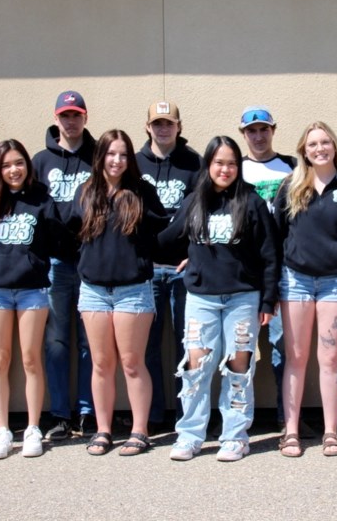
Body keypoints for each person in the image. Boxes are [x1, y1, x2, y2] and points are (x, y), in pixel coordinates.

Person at [160, 136, 280, 462]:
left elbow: (270, 254)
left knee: (239, 367)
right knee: (196, 368)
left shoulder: (252, 202)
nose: (224, 169)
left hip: (243, 298)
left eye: (231, 163)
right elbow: (165, 239)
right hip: (201, 299)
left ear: (238, 167)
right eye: (218, 163)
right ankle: (190, 435)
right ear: (208, 165)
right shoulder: (194, 201)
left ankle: (235, 436)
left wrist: (268, 301)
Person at [274, 121, 337, 458]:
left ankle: (331, 432)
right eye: (313, 143)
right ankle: (291, 431)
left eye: (325, 142)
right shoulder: (290, 186)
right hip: (295, 281)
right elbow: (278, 235)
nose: (319, 148)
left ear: (335, 147)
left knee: (330, 359)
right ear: (304, 150)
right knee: (296, 359)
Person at [73, 129, 166, 457]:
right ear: (100, 157)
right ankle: (103, 430)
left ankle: (140, 431)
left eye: (123, 154)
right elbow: (71, 234)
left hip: (133, 291)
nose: (117, 160)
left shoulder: (142, 191)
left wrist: (183, 255)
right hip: (94, 291)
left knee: (131, 362)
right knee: (101, 363)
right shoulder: (86, 193)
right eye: (111, 154)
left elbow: (165, 231)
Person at [0, 140, 63, 459]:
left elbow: (57, 239)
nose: (14, 170)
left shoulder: (41, 200)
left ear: (28, 165)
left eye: (19, 163)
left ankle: (33, 428)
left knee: (30, 358)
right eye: (7, 165)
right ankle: (2, 430)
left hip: (32, 289)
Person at [237, 105, 308, 435]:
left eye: (264, 129)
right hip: (242, 272)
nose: (258, 135)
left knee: (284, 348)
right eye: (252, 130)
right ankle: (240, 419)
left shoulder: (292, 169)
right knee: (242, 349)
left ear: (273, 131)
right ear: (243, 134)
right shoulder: (232, 169)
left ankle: (287, 417)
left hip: (282, 270)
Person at [33, 90, 96, 440]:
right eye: (65, 115)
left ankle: (87, 412)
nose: (71, 121)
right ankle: (59, 413)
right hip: (55, 263)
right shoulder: (41, 161)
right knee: (56, 341)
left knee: (90, 343)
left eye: (76, 115)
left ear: (85, 117)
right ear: (56, 118)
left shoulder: (99, 157)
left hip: (90, 262)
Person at [136, 101, 202, 429]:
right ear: (147, 126)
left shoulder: (194, 164)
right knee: (147, 346)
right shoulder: (134, 164)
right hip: (145, 269)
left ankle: (186, 417)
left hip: (182, 268)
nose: (163, 129)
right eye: (157, 123)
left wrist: (197, 254)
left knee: (186, 345)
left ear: (179, 126)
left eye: (169, 123)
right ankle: (150, 417)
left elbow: (205, 212)